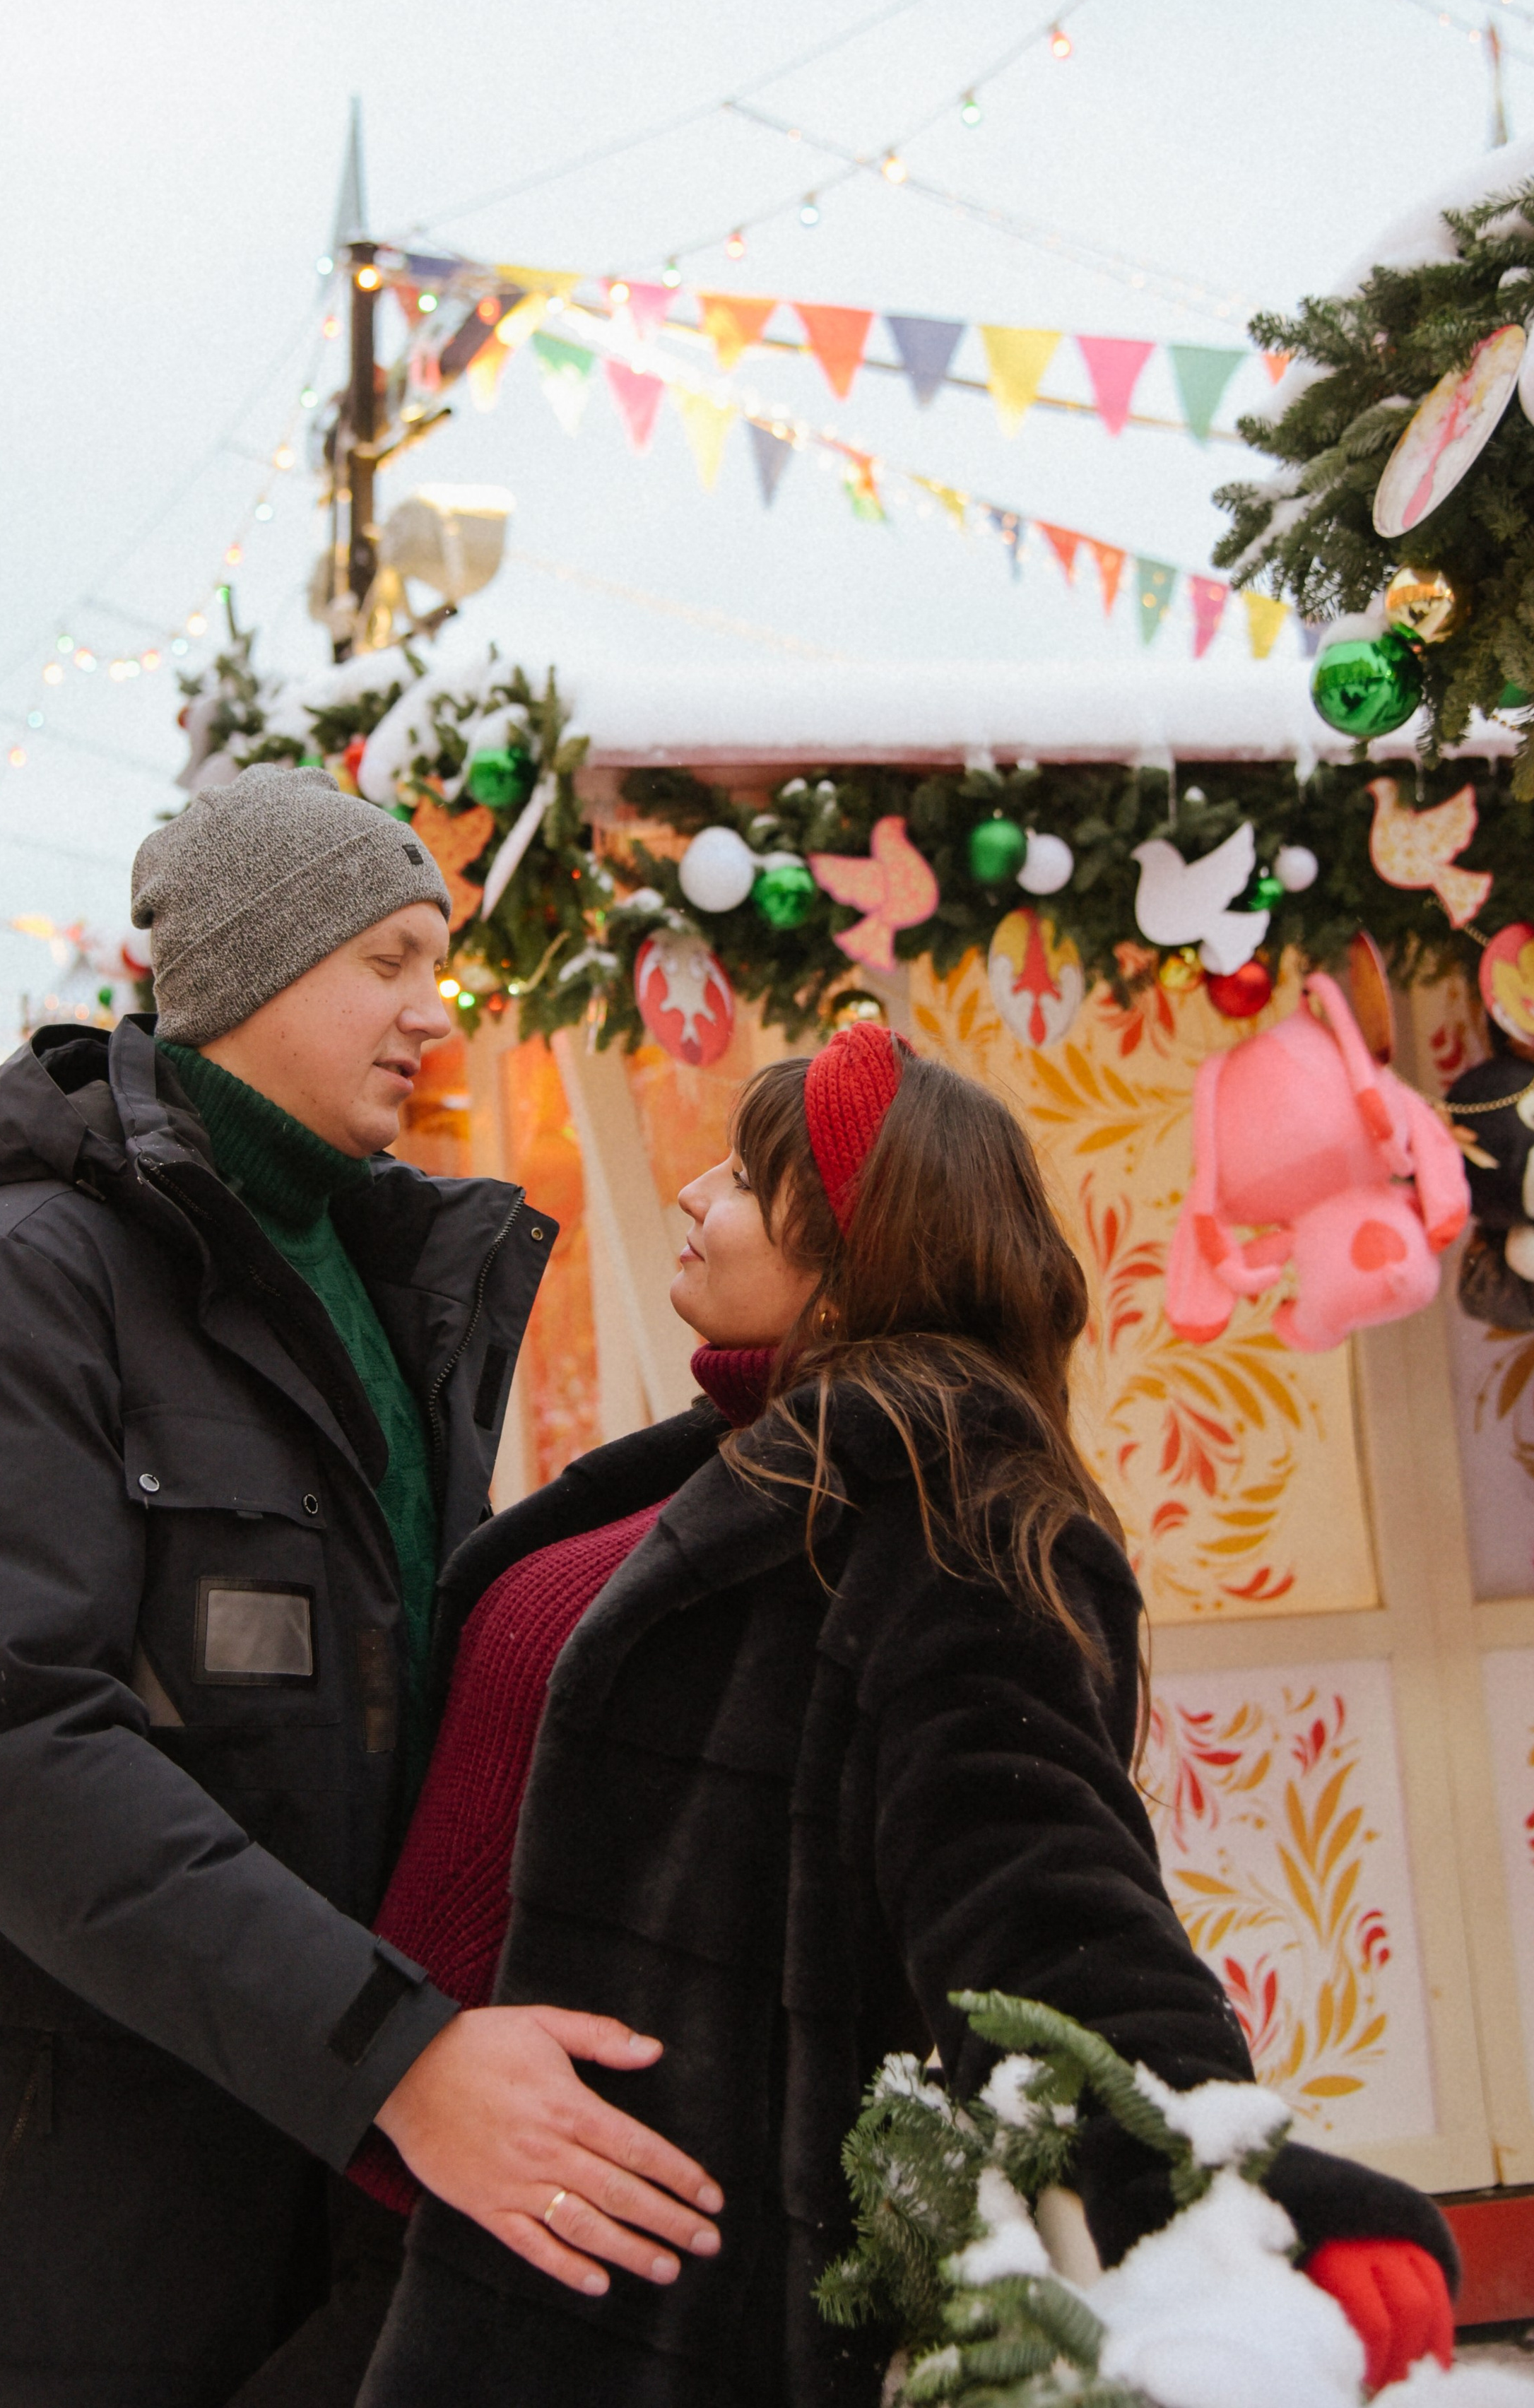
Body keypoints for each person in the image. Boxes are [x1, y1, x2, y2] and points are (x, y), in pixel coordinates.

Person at [351, 1023, 1459, 2407]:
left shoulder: (942, 1517)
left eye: (746, 1177)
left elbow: (1039, 1895)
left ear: (855, 1245)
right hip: (421, 2191)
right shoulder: (730, 1468)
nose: (693, 1194)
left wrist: (1219, 2179)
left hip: (633, 2277)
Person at [0, 766, 720, 2408]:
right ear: (241, 974)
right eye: (386, 959)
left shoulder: (378, 1291)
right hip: (46, 2262)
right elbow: (7, 1747)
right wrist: (395, 2055)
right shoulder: (18, 1285)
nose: (429, 1015)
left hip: (313, 2238)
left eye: (433, 964)